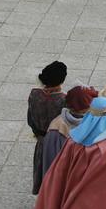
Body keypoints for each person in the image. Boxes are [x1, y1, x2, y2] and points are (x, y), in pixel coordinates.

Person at [27, 61, 67, 194]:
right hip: (59, 142)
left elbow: (30, 119)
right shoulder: (64, 100)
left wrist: (37, 133)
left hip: (42, 140)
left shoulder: (34, 95)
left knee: (43, 170)